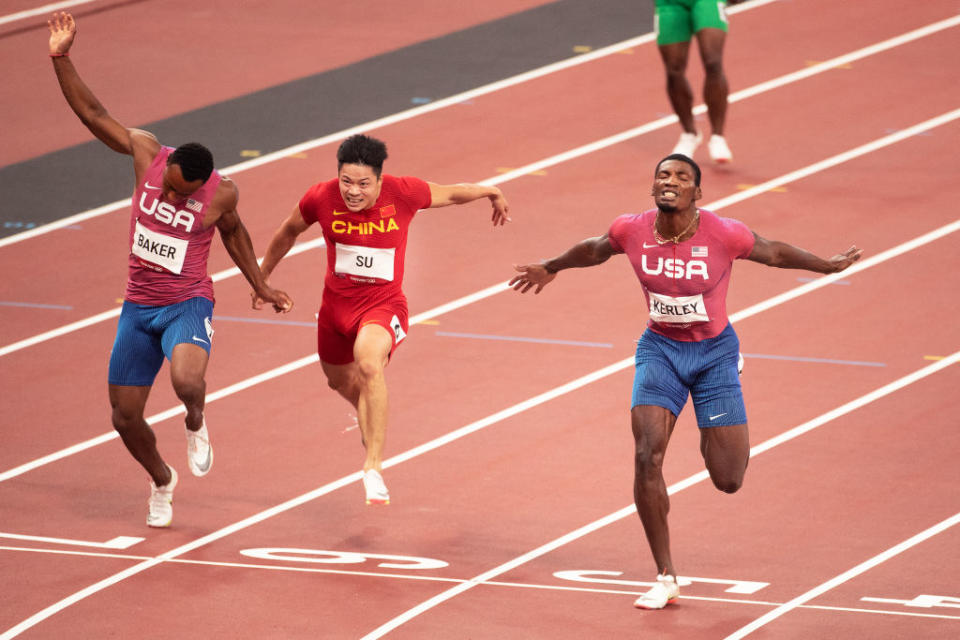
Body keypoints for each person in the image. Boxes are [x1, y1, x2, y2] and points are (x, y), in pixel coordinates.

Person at [509, 153, 861, 609]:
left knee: (728, 478)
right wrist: (551, 265)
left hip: (715, 354)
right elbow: (595, 248)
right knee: (645, 454)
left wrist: (827, 266)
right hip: (660, 351)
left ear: (698, 192)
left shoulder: (724, 233)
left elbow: (773, 252)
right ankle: (665, 574)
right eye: (661, 175)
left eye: (680, 177)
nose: (668, 181)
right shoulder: (631, 229)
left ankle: (711, 417)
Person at [48, 12, 293, 527]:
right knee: (124, 416)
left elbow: (235, 234)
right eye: (170, 187)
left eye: (183, 194)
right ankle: (162, 479)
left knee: (185, 381)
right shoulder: (146, 153)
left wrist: (261, 284)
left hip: (187, 302)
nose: (171, 196)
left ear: (203, 184)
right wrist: (60, 57)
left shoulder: (222, 192)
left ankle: (196, 419)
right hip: (138, 306)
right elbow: (94, 113)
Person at [252, 134, 509, 505]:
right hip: (334, 310)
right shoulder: (319, 197)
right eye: (346, 182)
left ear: (379, 180)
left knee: (370, 363)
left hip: (383, 305)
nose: (353, 192)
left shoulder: (404, 192)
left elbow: (452, 193)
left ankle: (373, 466)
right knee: (338, 381)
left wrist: (490, 190)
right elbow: (288, 231)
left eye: (362, 184)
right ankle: (372, 422)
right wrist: (262, 279)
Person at [654, 0, 744, 163]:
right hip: (670, 4)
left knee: (713, 62)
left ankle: (718, 136)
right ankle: (690, 133)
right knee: (673, 70)